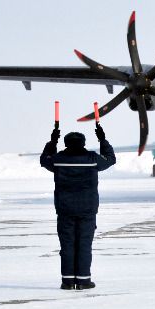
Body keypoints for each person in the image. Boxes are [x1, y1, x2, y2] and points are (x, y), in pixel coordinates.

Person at [40, 124, 116, 290]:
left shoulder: (59, 160)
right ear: (83, 143)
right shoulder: (92, 159)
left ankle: (67, 282)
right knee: (84, 245)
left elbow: (44, 160)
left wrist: (52, 142)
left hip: (65, 209)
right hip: (87, 210)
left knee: (67, 246)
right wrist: (103, 139)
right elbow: (110, 159)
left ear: (66, 143)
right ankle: (83, 280)